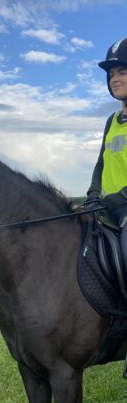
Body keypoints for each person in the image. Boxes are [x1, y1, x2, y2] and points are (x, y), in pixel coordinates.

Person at [85, 38, 127, 277]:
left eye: (122, 72)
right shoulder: (111, 121)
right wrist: (93, 195)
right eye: (111, 74)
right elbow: (101, 162)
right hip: (107, 209)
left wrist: (123, 196)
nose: (115, 79)